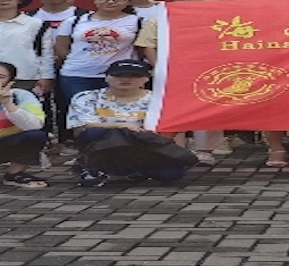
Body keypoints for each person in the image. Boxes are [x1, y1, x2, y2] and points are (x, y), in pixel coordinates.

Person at [69, 59, 198, 185]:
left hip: (145, 146)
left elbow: (170, 129)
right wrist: (123, 126)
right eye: (119, 75)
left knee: (172, 175)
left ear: (146, 79)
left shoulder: (160, 100)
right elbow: (87, 124)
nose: (126, 79)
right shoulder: (87, 97)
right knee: (93, 132)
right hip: (106, 144)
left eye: (135, 75)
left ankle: (134, 169)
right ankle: (92, 166)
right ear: (106, 77)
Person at [55, 0, 157, 111]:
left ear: (128, 2)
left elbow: (142, 48)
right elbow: (61, 46)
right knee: (82, 112)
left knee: (118, 112)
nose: (110, 2)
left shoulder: (139, 22)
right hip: (77, 74)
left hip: (121, 75)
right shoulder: (74, 21)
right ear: (95, 0)